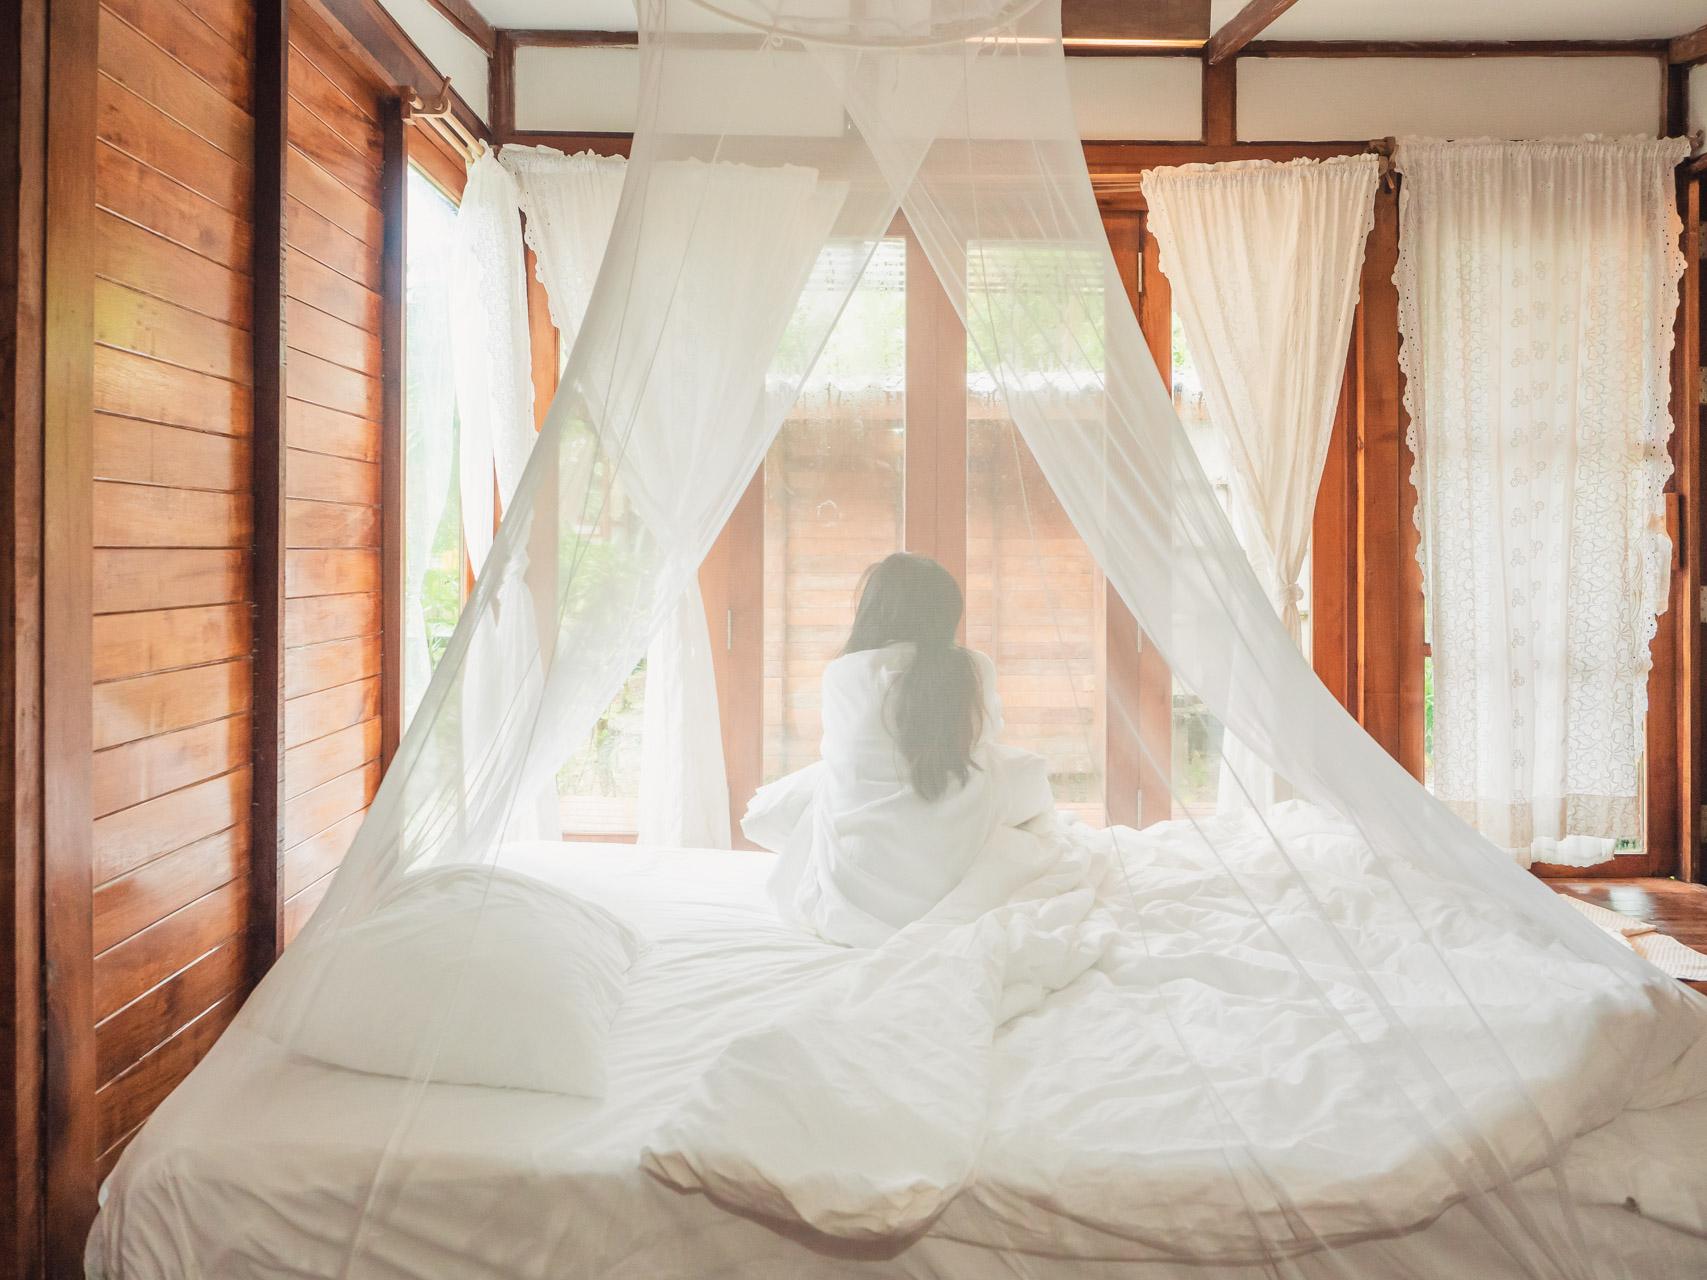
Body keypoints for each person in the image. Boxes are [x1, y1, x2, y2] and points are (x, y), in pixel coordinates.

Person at [747, 552, 1057, 946]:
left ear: (874, 610)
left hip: (856, 891)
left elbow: (844, 752)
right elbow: (987, 734)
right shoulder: (974, 667)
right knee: (1022, 771)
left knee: (826, 780)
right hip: (954, 852)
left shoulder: (844, 672)